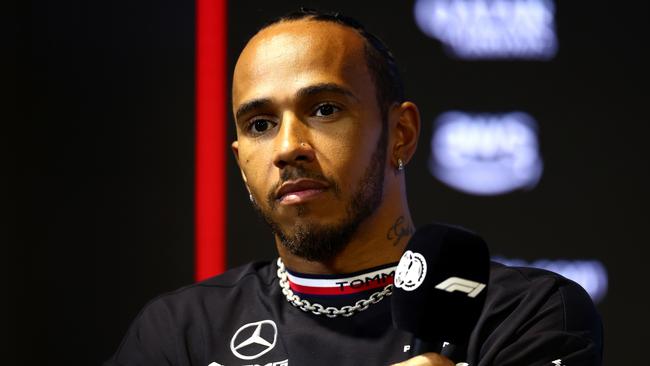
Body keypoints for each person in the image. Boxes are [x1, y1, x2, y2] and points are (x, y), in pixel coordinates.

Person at [105, 9, 603, 366]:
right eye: (259, 124)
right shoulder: (179, 331)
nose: (287, 147)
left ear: (401, 135)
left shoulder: (526, 314)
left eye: (324, 110)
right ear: (239, 160)